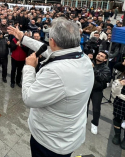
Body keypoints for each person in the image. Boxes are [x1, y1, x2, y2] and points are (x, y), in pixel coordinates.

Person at [8, 18, 94, 157]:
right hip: (67, 135)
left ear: (52, 41)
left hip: (50, 142)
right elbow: (50, 52)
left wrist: (29, 68)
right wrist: (23, 38)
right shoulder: (82, 58)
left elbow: (29, 98)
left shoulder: (56, 72)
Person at [87, 51, 111, 135]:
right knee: (84, 106)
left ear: (105, 59)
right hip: (87, 88)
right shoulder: (90, 62)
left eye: (102, 56)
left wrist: (93, 68)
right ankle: (83, 120)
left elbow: (103, 78)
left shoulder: (106, 68)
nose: (99, 56)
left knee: (96, 109)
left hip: (97, 90)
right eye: (98, 55)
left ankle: (94, 123)